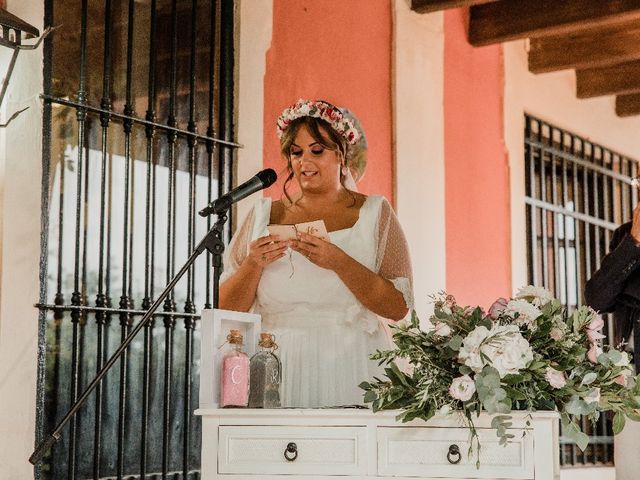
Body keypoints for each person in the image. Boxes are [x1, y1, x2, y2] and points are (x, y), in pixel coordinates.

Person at [219, 98, 413, 408]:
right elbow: (226, 309)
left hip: (351, 361)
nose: (304, 162)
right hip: (275, 363)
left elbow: (398, 306)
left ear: (342, 153)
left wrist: (340, 262)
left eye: (317, 151)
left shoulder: (375, 213)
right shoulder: (261, 214)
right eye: (296, 152)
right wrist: (253, 265)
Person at [584, 202, 640, 480]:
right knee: (630, 469)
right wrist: (635, 242)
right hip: (628, 379)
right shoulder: (624, 236)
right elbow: (597, 298)